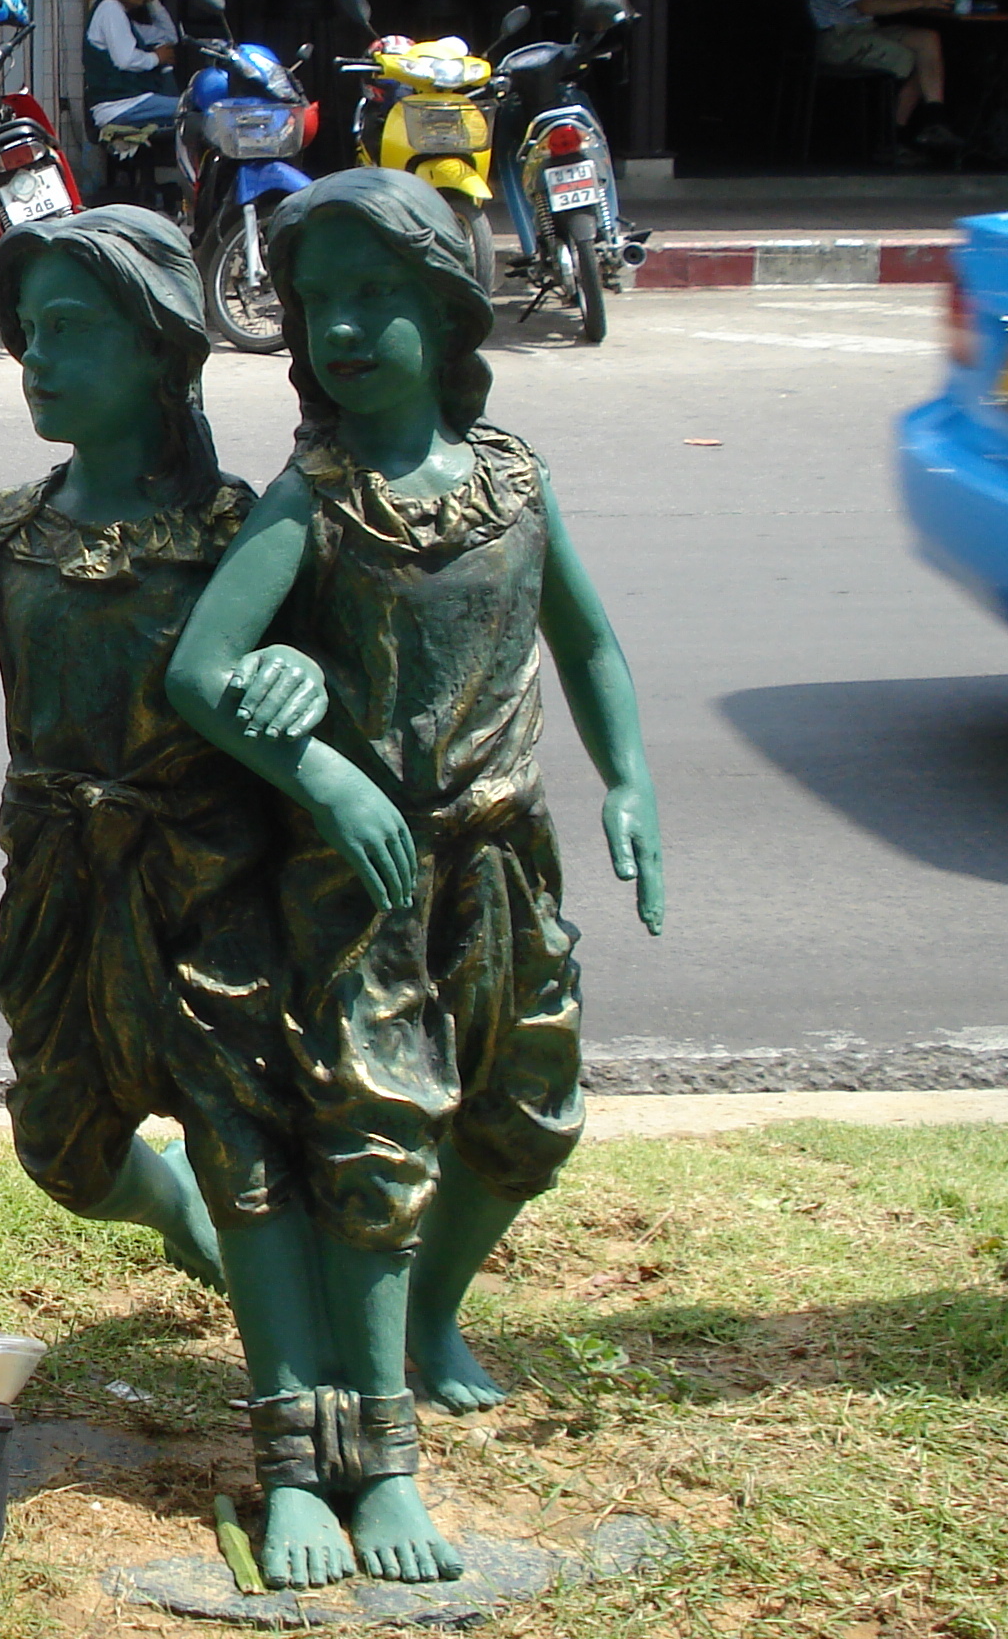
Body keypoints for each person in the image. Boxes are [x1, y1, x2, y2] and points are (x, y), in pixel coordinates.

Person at [167, 167, 666, 1589]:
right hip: (361, 882)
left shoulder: (514, 482)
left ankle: (435, 1309)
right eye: (320, 300)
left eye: (378, 298)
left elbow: (588, 643)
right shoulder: (312, 500)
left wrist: (627, 779)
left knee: (527, 1114)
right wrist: (320, 773)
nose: (341, 328)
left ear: (446, 316)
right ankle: (373, 1452)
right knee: (376, 1139)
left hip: (506, 863)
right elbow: (201, 670)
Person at [0, 208, 319, 1307]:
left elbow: (315, 679)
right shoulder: (4, 534)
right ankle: (170, 1204)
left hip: (210, 889)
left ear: (160, 348)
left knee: (246, 1130)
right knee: (64, 1153)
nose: (35, 358)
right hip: (58, 892)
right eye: (27, 333)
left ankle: (288, 1352)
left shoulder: (242, 535)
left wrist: (306, 681)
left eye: (69, 330)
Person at [807, 0, 951, 163]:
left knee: (927, 40)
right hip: (837, 37)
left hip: (865, 31)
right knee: (910, 58)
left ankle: (934, 121)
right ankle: (892, 139)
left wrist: (940, 2)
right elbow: (866, 6)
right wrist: (923, 0)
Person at [84, 0, 183, 118]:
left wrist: (152, 0)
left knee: (185, 106)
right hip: (118, 107)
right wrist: (157, 58)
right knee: (190, 111)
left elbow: (169, 36)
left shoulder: (123, 20)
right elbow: (125, 59)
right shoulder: (110, 9)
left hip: (131, 102)